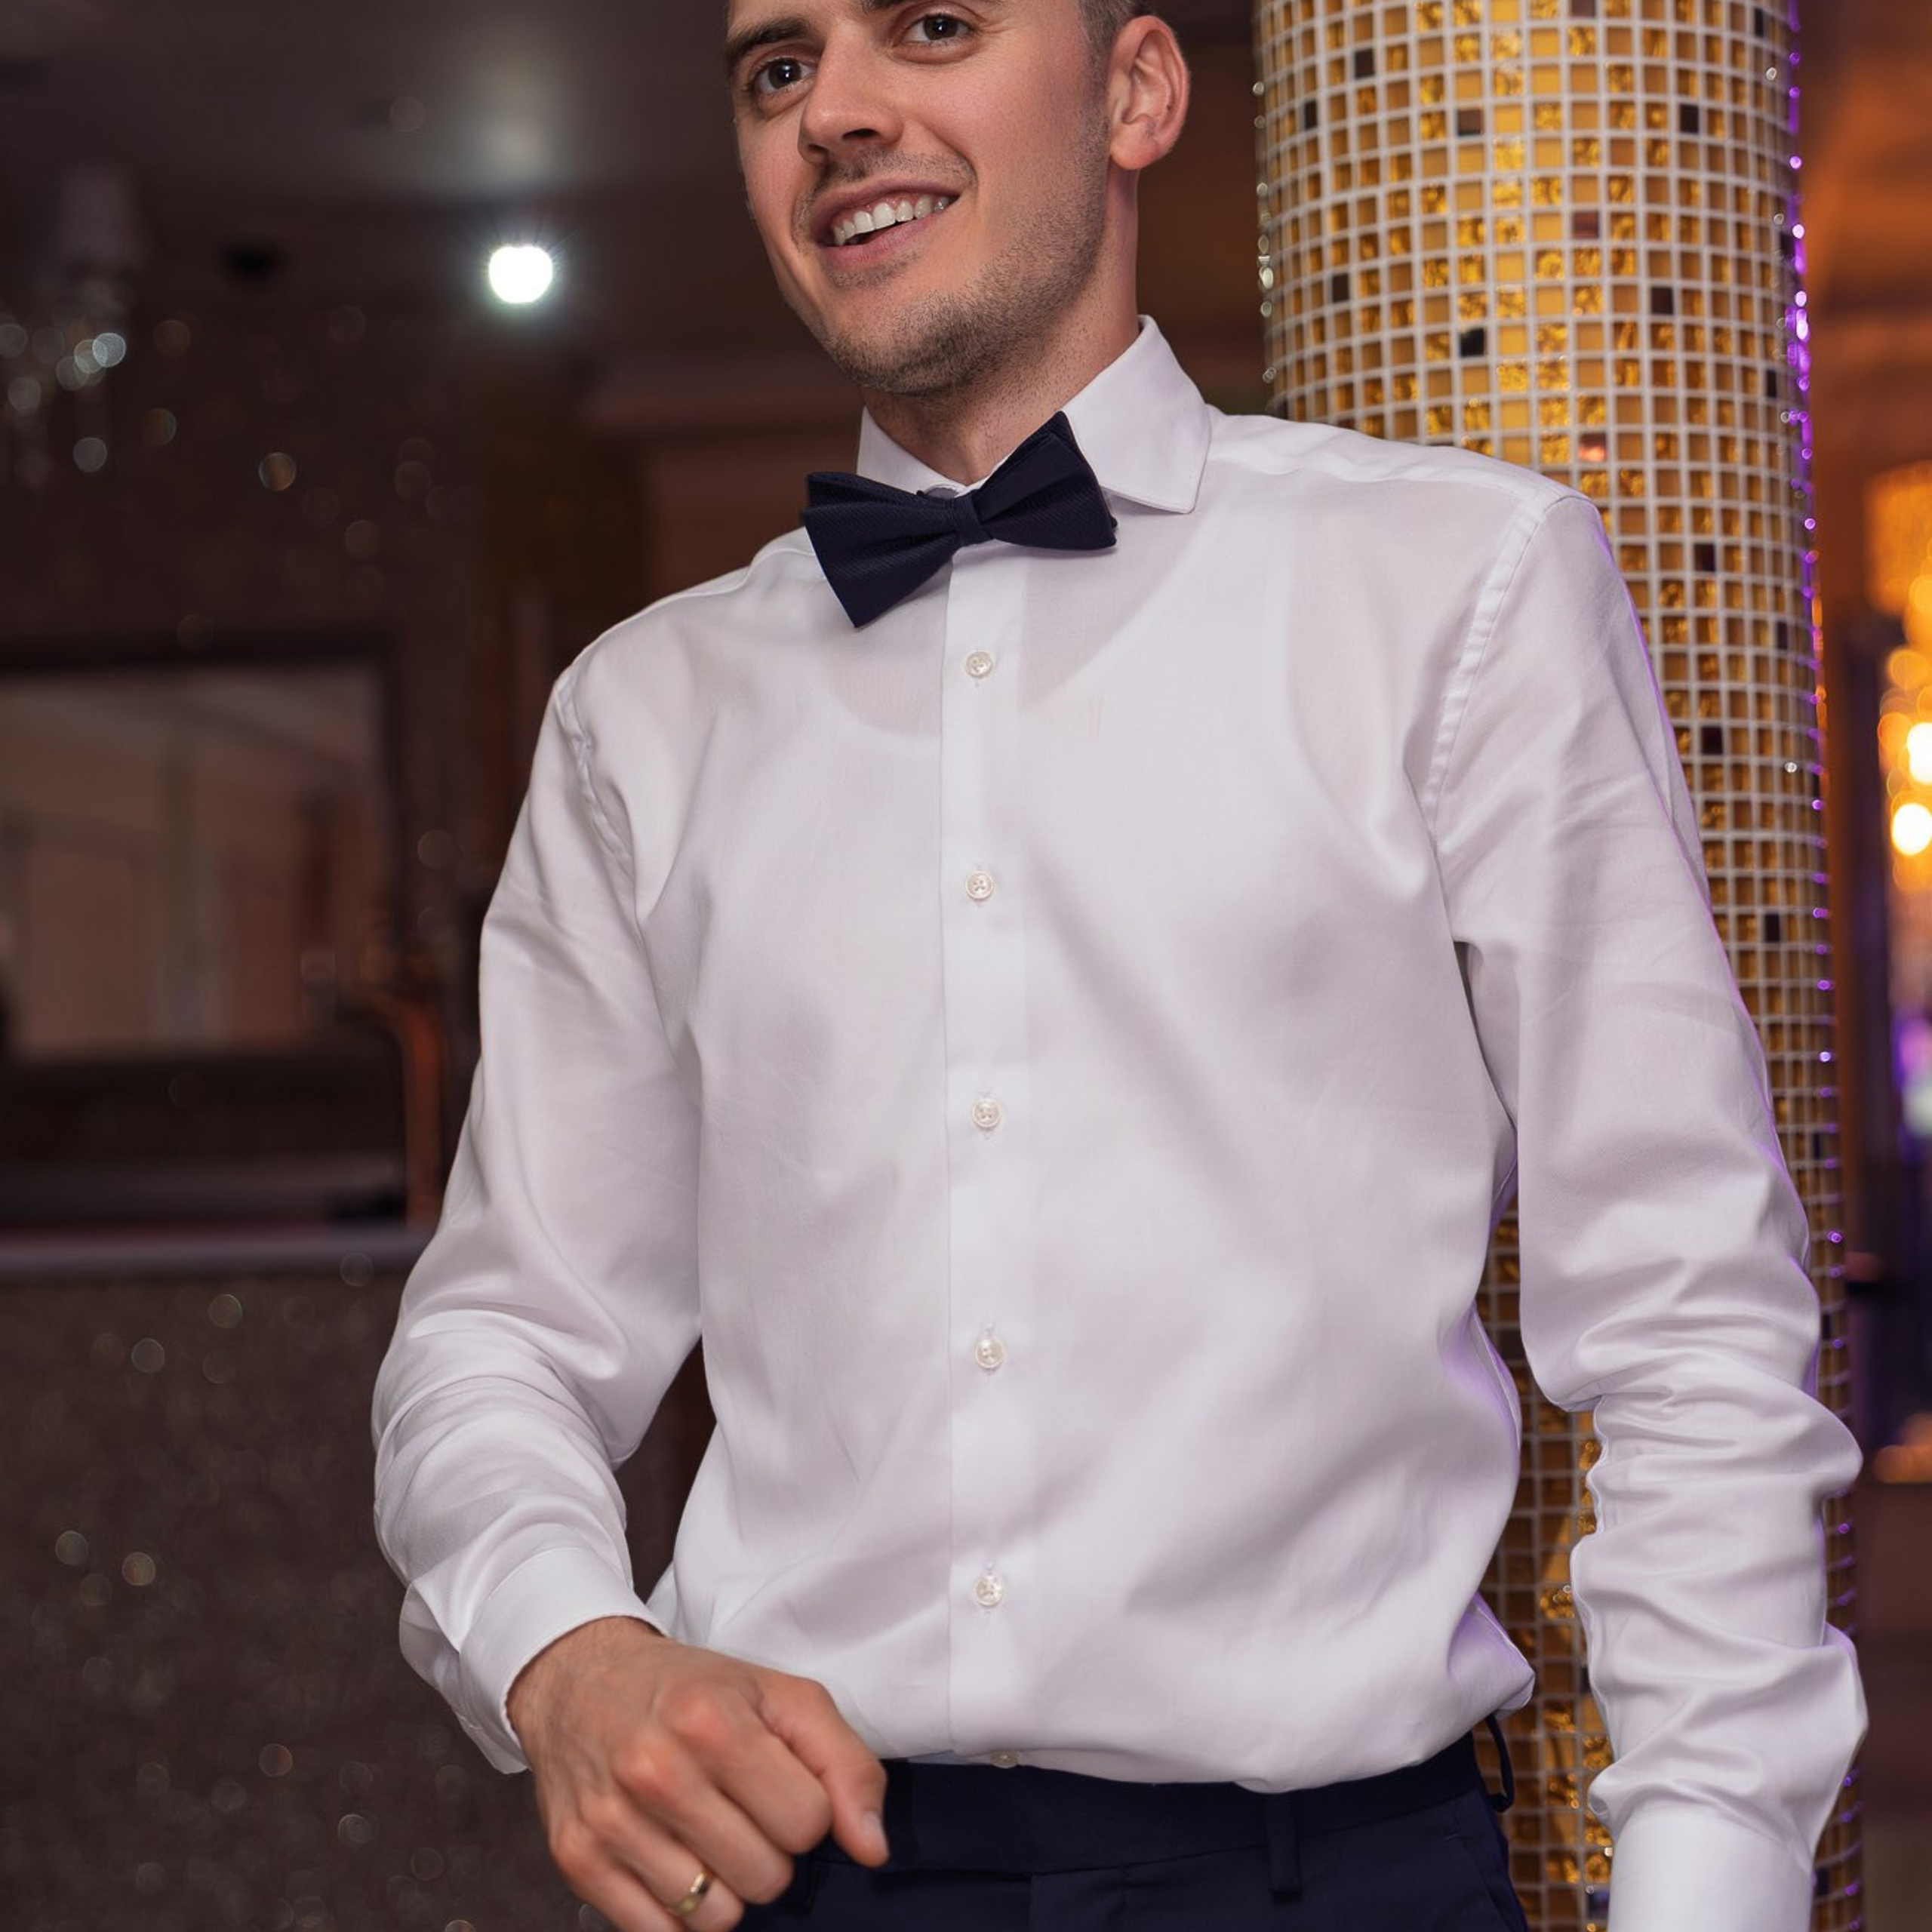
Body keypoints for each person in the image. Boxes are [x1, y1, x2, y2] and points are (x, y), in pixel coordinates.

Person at [371, 3, 1866, 1928]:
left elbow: (1685, 1310)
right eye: (775, 68)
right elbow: (501, 1329)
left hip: (1326, 1877)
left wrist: (1707, 1886)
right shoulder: (639, 717)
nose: (835, 112)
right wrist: (563, 1647)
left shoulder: (1456, 589)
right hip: (813, 1876)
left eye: (929, 25)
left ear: (1136, 91)